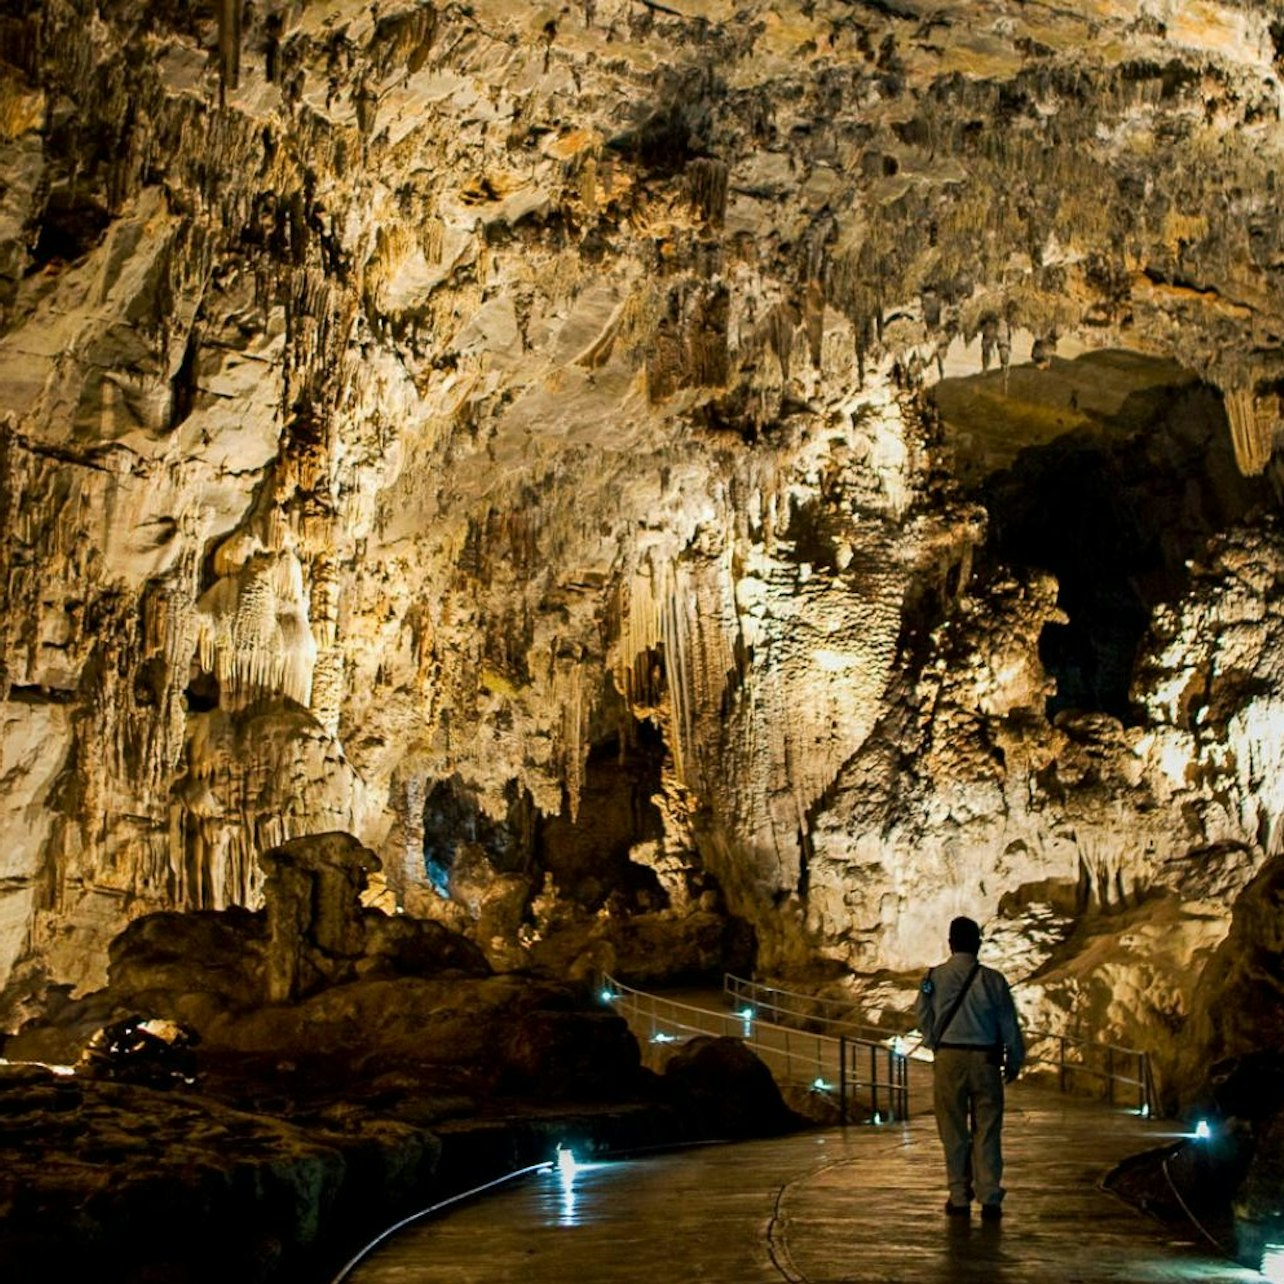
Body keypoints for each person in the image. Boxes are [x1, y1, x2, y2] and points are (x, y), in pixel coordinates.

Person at [915, 915, 1025, 1221]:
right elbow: (1008, 1025)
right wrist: (1014, 1059)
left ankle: (959, 1196)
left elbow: (922, 1014)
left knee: (953, 1130)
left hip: (949, 1058)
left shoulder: (932, 977)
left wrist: (933, 1040)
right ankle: (990, 1196)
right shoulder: (994, 980)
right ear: (977, 943)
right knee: (987, 1129)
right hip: (986, 1059)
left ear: (950, 943)